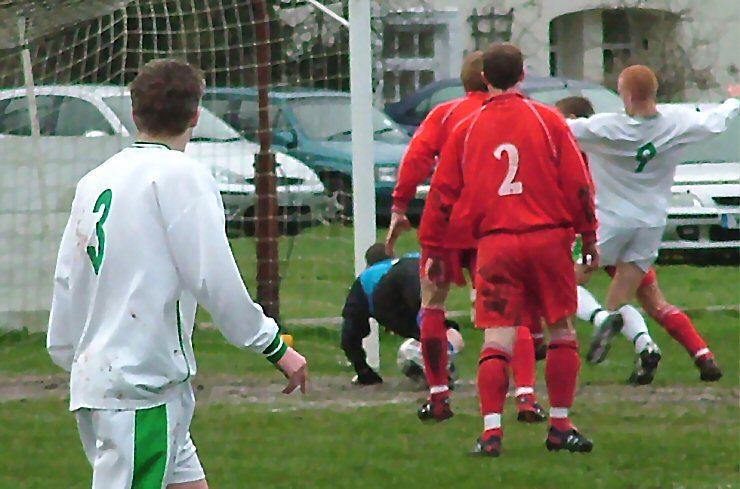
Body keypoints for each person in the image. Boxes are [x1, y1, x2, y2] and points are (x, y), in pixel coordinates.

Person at [46, 59, 308, 489]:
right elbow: (213, 276)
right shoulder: (181, 177)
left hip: (111, 380)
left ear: (134, 114)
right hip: (140, 386)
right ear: (195, 115)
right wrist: (274, 346)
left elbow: (68, 274)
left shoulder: (95, 180)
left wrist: (67, 349)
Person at [419, 43, 598, 456]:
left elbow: (441, 195)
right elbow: (578, 182)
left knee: (497, 336)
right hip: (548, 238)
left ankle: (491, 431)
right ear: (523, 74)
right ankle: (560, 425)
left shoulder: (466, 129)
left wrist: (433, 249)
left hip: (496, 243)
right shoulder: (548, 120)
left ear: (484, 78)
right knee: (561, 329)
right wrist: (588, 234)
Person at [385, 51, 543, 424]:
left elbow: (417, 158)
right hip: (495, 222)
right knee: (509, 310)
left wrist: (399, 206)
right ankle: (525, 396)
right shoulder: (519, 114)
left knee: (434, 305)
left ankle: (439, 395)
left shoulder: (446, 113)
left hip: (449, 223)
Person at [565, 67, 738, 383]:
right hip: (651, 223)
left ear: (626, 94)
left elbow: (559, 129)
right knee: (623, 296)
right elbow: (715, 121)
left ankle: (602, 319)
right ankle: (638, 340)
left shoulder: (607, 126)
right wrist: (733, 102)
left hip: (611, 221)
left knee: (565, 284)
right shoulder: (677, 123)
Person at [340, 244, 464, 386]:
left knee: (424, 323)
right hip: (420, 269)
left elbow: (349, 335)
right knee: (443, 328)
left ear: (368, 265)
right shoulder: (404, 259)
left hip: (388, 291)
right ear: (393, 256)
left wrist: (363, 370)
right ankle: (443, 354)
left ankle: (427, 358)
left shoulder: (365, 278)